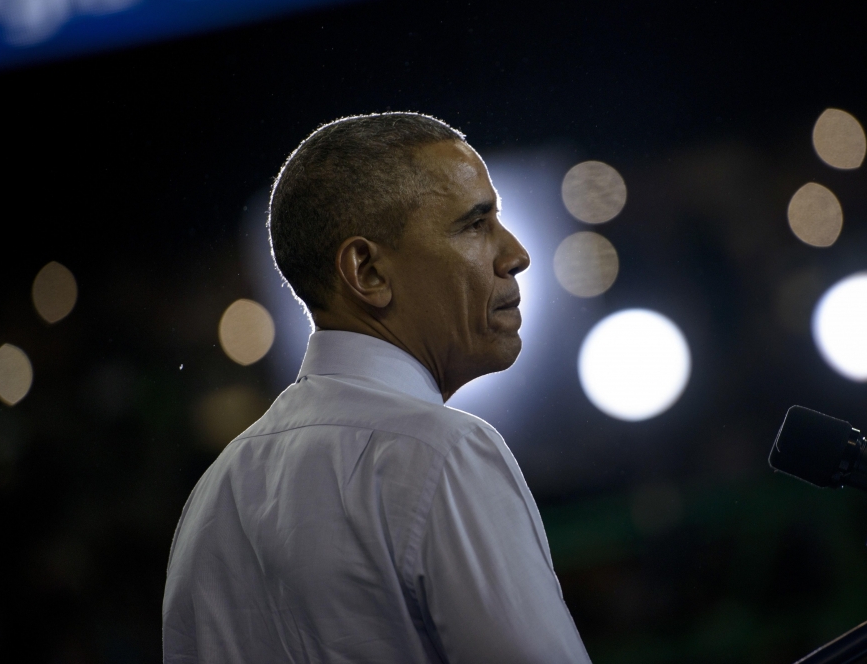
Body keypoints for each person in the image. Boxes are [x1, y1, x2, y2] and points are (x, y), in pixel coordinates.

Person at [162, 113, 591, 663]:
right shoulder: (443, 454)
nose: (515, 255)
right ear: (367, 271)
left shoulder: (210, 503)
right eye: (475, 224)